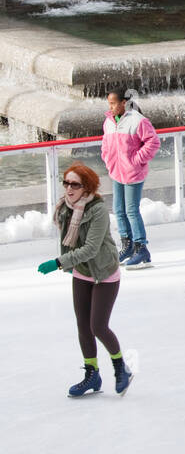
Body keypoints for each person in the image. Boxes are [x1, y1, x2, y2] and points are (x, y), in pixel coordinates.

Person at [37, 162, 133, 398]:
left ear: (86, 187)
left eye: (75, 184)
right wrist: (69, 266)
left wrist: (59, 262)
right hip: (81, 271)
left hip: (103, 272)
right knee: (83, 326)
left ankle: (121, 367)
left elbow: (91, 248)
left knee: (98, 326)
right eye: (66, 183)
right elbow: (66, 239)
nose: (69, 188)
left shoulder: (98, 210)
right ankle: (92, 374)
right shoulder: (66, 207)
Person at [100, 87, 160, 268]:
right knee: (118, 210)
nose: (110, 107)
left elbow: (153, 142)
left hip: (133, 173)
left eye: (113, 103)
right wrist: (108, 159)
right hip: (116, 172)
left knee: (131, 210)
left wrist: (137, 160)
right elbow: (105, 143)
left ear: (123, 103)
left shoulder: (138, 121)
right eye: (109, 104)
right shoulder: (109, 122)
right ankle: (127, 244)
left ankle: (141, 247)